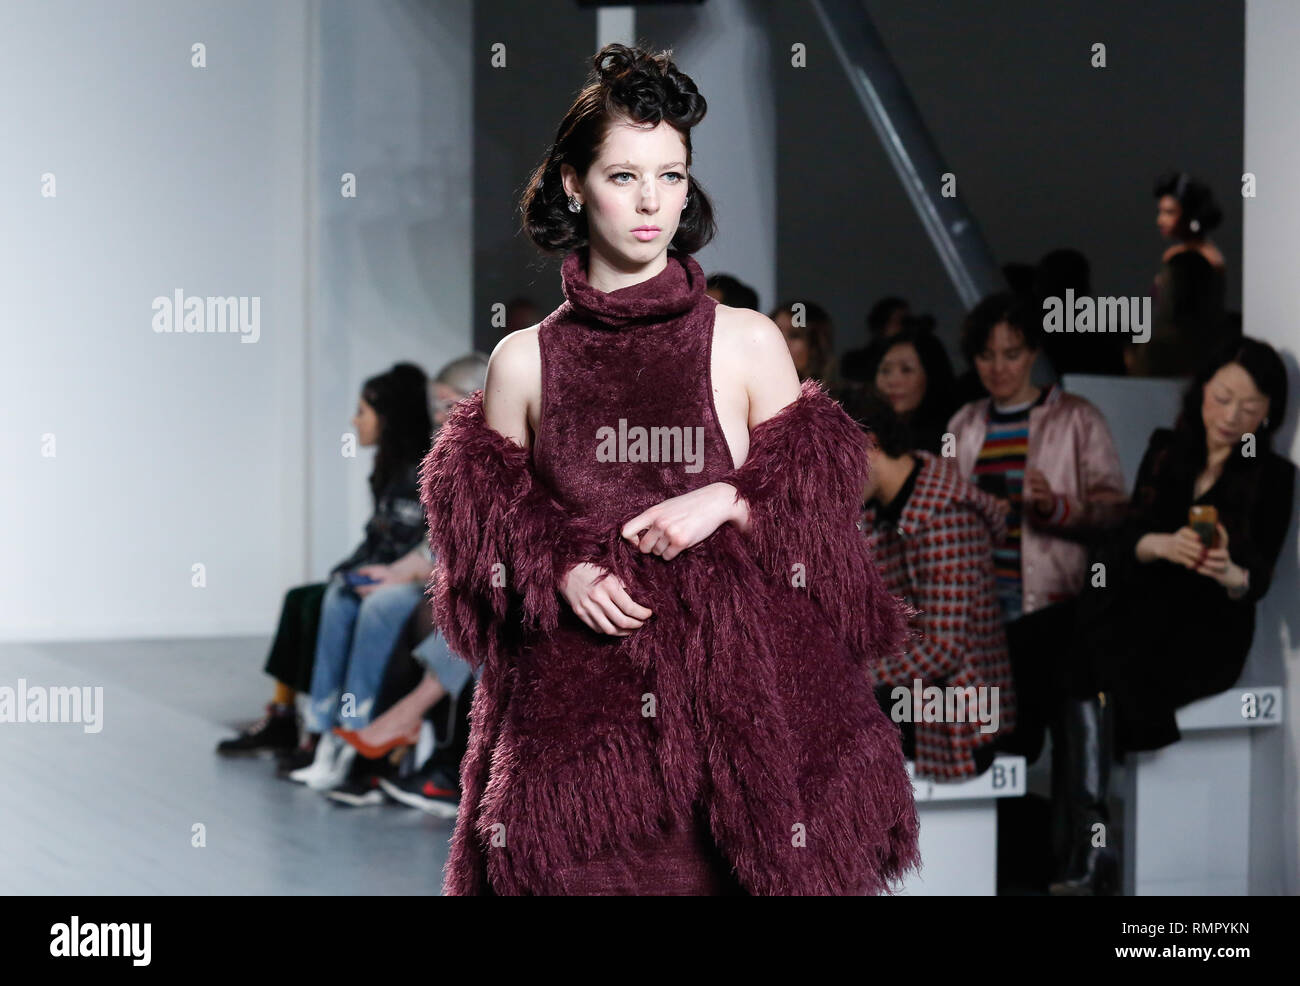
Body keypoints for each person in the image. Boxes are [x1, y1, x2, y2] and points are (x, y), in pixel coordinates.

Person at [419, 43, 918, 896]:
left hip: (734, 724)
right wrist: (560, 567)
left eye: (672, 175)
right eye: (623, 176)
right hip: (580, 741)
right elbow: (483, 540)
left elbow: (823, 520)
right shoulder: (525, 362)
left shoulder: (745, 340)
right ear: (573, 185)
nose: (652, 202)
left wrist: (727, 498)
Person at [1049, 337, 1294, 895]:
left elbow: (1255, 580)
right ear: (1203, 388)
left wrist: (1227, 567)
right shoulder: (1168, 448)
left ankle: (1092, 843)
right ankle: (1094, 841)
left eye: (1251, 408)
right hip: (1145, 609)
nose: (1232, 417)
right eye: (1223, 398)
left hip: (1208, 632)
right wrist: (1162, 545)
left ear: (1269, 414)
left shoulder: (1273, 474)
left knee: (1086, 645)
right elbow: (1129, 536)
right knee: (1085, 630)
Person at [946, 292, 1127, 763]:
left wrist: (1058, 507)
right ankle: (1010, 835)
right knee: (995, 743)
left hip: (1053, 609)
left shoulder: (1077, 417)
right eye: (986, 355)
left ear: (1033, 353)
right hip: (981, 607)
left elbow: (1114, 512)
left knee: (1053, 741)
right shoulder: (965, 423)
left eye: (1012, 354)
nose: (998, 367)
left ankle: (1065, 835)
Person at [843, 390, 1016, 781]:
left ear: (869, 446)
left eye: (838, 467)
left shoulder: (945, 516)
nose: (834, 484)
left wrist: (850, 675)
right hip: (915, 690)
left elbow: (944, 649)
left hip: (961, 711)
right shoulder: (887, 505)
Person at [287, 363, 435, 790]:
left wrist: (392, 574)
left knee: (376, 604)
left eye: (362, 411)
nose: (354, 420)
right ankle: (322, 731)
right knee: (337, 595)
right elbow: (380, 537)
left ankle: (359, 730)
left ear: (387, 418)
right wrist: (357, 572)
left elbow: (436, 546)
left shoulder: (430, 467)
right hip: (401, 572)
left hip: (425, 580)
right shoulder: (389, 470)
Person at [870, 323, 958, 454]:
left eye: (906, 370)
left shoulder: (952, 433)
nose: (892, 382)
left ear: (932, 374)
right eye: (885, 370)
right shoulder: (868, 433)